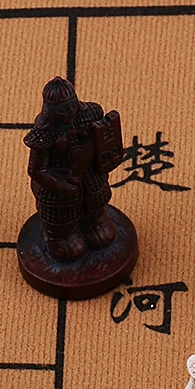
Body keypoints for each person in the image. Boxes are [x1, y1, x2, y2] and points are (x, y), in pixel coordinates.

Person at [23, 76, 118, 260]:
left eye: (71, 104)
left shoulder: (91, 115)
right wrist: (59, 185)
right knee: (64, 230)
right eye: (63, 108)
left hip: (89, 176)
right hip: (59, 182)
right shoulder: (44, 134)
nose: (70, 111)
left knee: (97, 216)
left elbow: (105, 142)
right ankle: (58, 236)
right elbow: (37, 170)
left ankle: (94, 223)